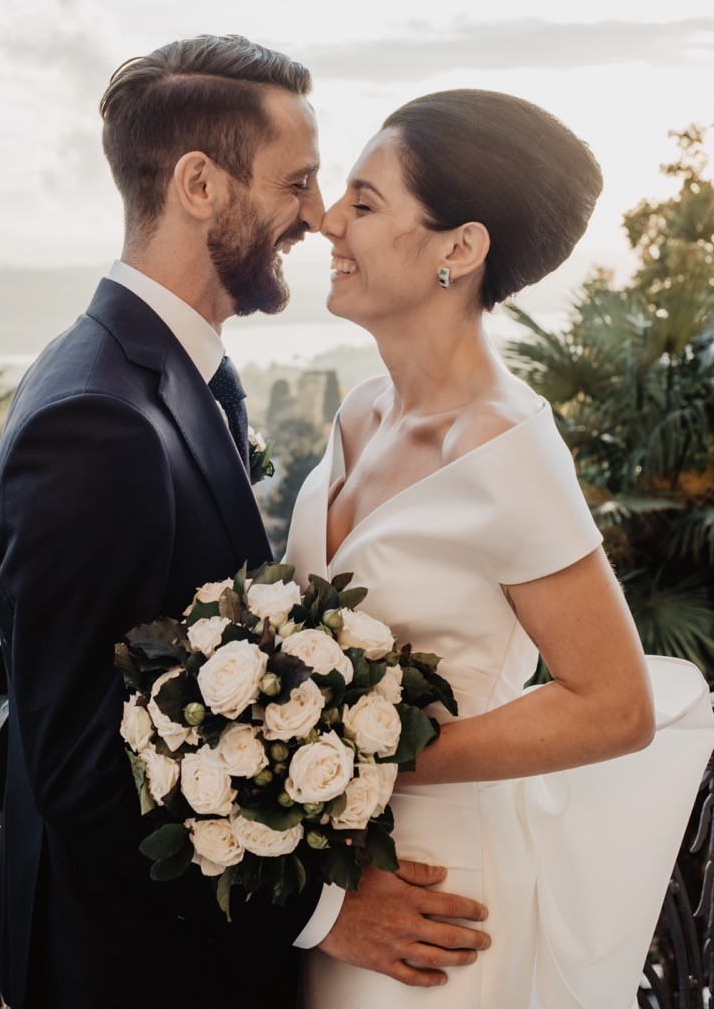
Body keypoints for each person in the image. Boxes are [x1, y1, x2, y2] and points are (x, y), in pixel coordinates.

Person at [0, 38, 490, 1009]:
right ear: (200, 185)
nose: (319, 214)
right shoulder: (96, 421)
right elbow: (85, 773)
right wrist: (322, 914)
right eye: (297, 181)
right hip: (132, 973)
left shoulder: (173, 371)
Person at [285, 88, 714, 1008]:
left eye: (364, 203)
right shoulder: (361, 409)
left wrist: (369, 759)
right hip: (333, 883)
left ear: (459, 249)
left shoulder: (501, 445)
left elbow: (612, 706)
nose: (327, 221)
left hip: (434, 905)